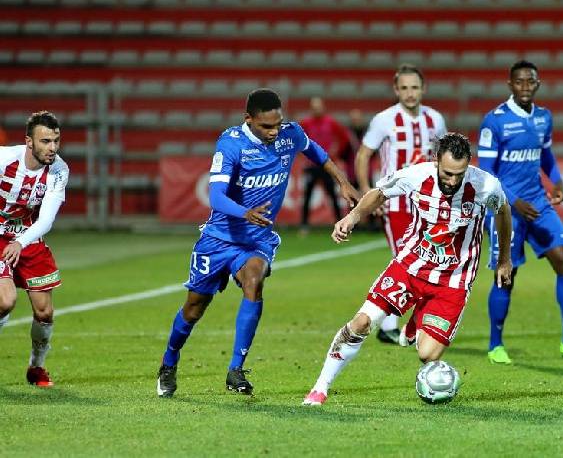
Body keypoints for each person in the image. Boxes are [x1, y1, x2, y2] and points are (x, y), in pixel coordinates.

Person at [157, 89, 359, 398]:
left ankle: (236, 368)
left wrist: (343, 183)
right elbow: (215, 197)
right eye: (266, 126)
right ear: (248, 120)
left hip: (257, 238)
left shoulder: (290, 135)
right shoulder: (231, 144)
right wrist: (244, 212)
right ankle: (169, 362)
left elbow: (318, 154)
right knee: (195, 308)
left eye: (277, 124)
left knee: (254, 279)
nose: (274, 131)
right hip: (219, 239)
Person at [303, 132, 512, 405]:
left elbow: (503, 212)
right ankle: (320, 389)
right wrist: (352, 218)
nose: (452, 181)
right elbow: (379, 194)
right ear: (436, 160)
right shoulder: (417, 175)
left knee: (427, 355)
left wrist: (504, 258)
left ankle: (416, 321)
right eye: (447, 173)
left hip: (453, 280)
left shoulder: (485, 186)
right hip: (410, 267)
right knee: (361, 323)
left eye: (458, 175)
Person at [478, 60, 563, 364]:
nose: (525, 87)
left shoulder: (544, 117)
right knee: (507, 276)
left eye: (531, 82)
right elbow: (487, 173)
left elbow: (545, 154)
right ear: (510, 85)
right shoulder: (495, 121)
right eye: (520, 82)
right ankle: (495, 344)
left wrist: (555, 181)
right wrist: (514, 201)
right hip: (507, 208)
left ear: (538, 84)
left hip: (538, 204)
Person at [354, 64, 447, 344]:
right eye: (404, 88)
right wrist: (368, 193)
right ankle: (392, 326)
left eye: (415, 87)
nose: (410, 93)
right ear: (396, 90)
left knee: (423, 260)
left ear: (423, 89)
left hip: (427, 202)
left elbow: (444, 156)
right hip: (395, 203)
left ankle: (395, 324)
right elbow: (362, 156)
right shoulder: (384, 120)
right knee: (407, 261)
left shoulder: (435, 119)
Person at [0, 111, 69, 387]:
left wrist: (21, 242)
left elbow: (47, 218)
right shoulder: (4, 159)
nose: (52, 148)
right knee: (5, 301)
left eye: (56, 141)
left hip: (27, 237)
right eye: (45, 141)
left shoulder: (59, 170)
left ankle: (36, 367)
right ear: (29, 142)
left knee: (44, 312)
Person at [299, 97, 356, 233]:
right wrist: (303, 154)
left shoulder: (330, 122)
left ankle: (339, 222)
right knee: (307, 196)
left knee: (332, 195)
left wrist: (336, 153)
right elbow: (297, 139)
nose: (316, 109)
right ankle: (304, 225)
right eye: (314, 107)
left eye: (318, 106)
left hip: (326, 164)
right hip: (311, 165)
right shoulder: (306, 123)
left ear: (322, 107)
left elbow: (344, 138)